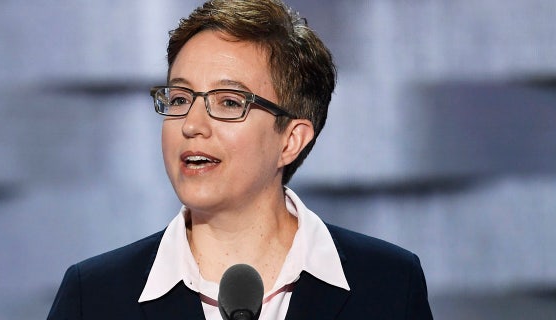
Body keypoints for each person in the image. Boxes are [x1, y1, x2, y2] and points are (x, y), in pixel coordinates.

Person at [47, 0, 433, 319]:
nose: (192, 125)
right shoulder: (94, 297)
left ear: (291, 140)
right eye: (180, 99)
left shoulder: (389, 285)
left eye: (229, 102)